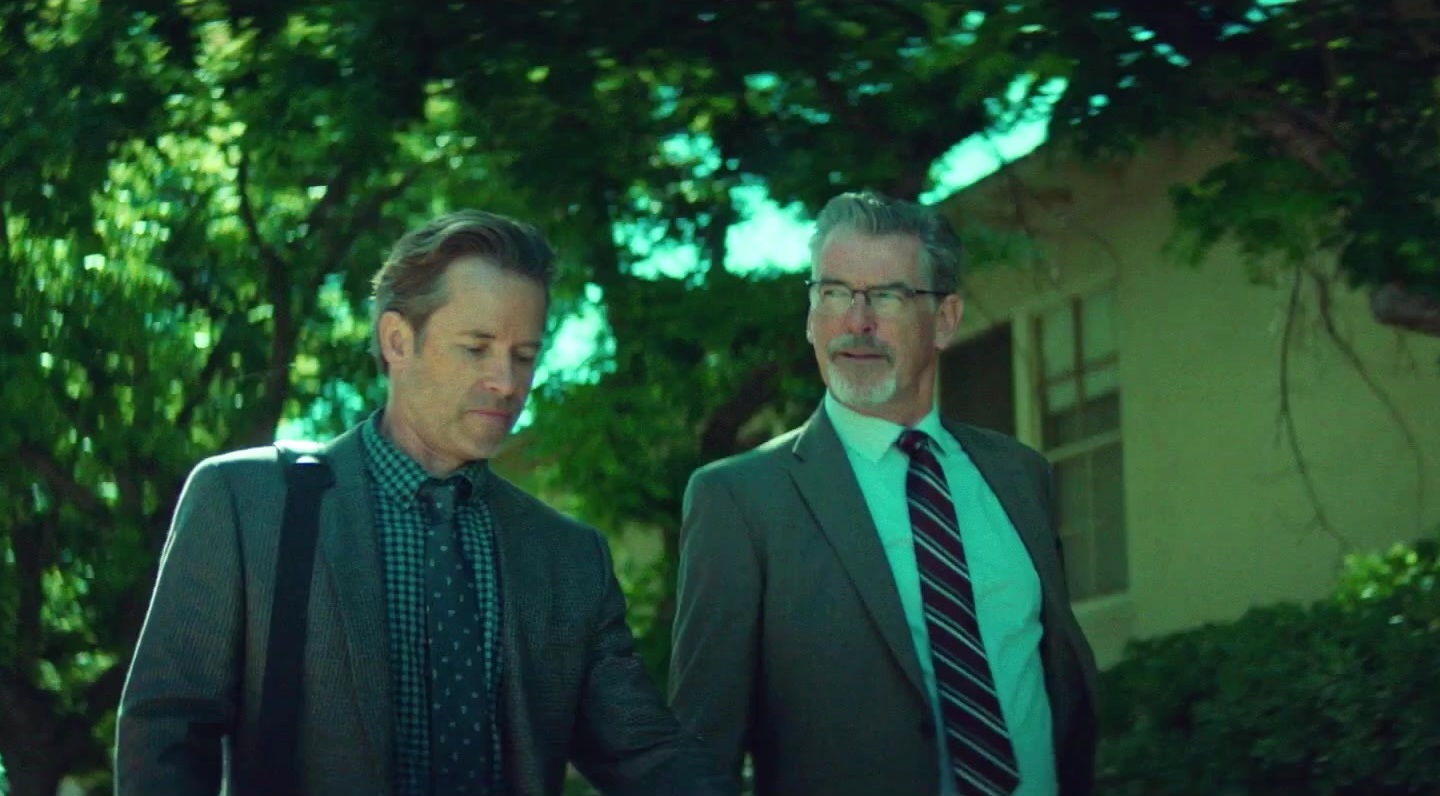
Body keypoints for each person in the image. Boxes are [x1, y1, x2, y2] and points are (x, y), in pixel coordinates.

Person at [117, 210, 727, 796]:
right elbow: (168, 733)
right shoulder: (247, 503)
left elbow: (646, 755)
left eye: (524, 355)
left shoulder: (567, 557)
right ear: (397, 340)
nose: (507, 383)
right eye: (476, 347)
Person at [669, 191, 1099, 796]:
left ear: (945, 319)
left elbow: (1056, 687)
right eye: (834, 293)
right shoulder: (740, 501)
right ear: (811, 314)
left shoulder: (1019, 476)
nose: (857, 321)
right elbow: (698, 755)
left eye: (888, 295)